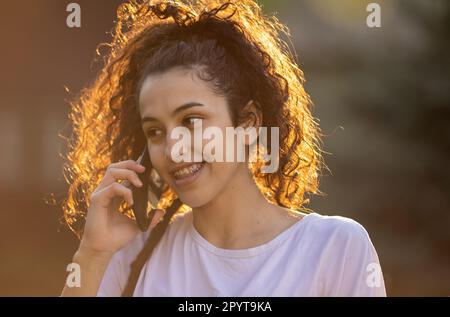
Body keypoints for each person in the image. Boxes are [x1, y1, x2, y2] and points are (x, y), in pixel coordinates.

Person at [60, 0, 386, 297]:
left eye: (191, 120)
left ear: (247, 123)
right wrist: (92, 253)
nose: (173, 148)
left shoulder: (334, 247)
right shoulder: (131, 257)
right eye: (155, 131)